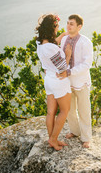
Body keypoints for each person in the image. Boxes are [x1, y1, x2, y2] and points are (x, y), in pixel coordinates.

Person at [35, 14, 72, 151]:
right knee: (64, 110)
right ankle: (53, 139)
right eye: (56, 27)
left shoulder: (39, 43)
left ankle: (52, 138)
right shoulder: (52, 48)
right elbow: (63, 69)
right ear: (52, 28)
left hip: (49, 80)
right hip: (59, 82)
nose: (58, 29)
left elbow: (51, 46)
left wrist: (62, 35)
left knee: (51, 112)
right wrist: (67, 55)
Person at [57, 14, 93, 148]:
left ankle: (86, 137)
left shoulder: (86, 42)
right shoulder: (64, 39)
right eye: (67, 23)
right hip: (66, 82)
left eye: (71, 23)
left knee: (84, 110)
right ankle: (75, 131)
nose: (68, 26)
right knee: (69, 109)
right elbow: (61, 58)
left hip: (81, 81)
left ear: (79, 26)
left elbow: (87, 64)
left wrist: (70, 72)